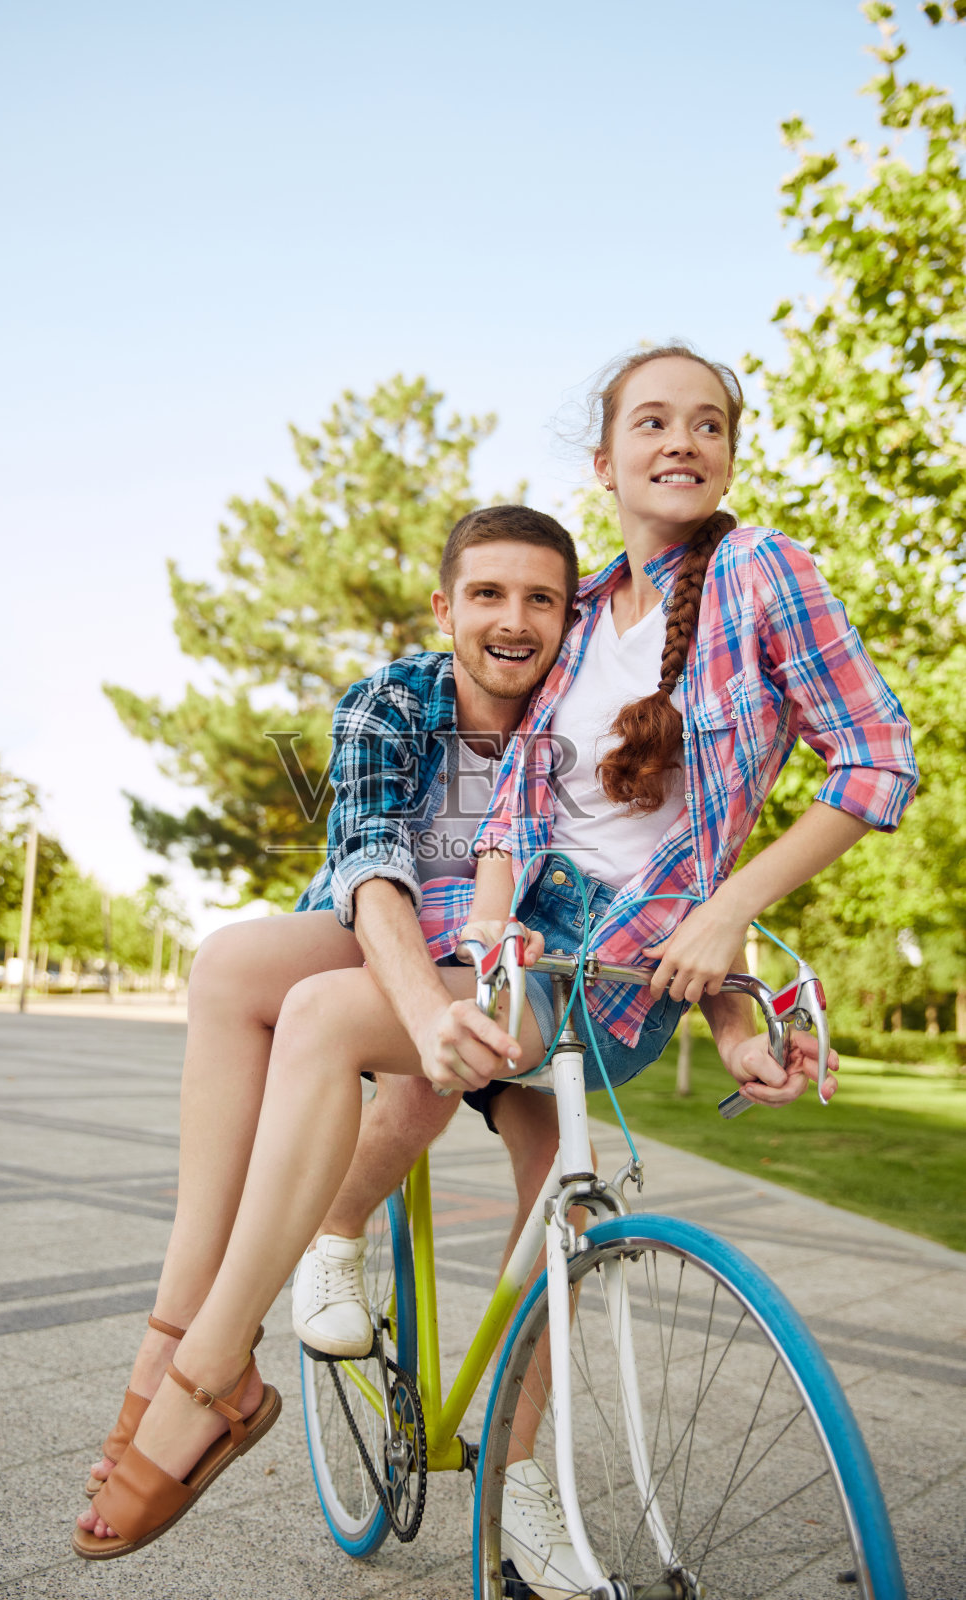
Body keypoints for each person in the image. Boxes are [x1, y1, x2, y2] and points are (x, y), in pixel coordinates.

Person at [74, 348, 916, 1591]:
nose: (678, 440)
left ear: (731, 449)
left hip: (606, 960)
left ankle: (241, 1382)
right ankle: (213, 1335)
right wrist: (489, 919)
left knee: (356, 1039)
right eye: (649, 419)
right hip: (509, 943)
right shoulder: (582, 627)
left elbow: (868, 764)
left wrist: (733, 953)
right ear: (604, 458)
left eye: (705, 423)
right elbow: (523, 817)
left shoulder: (760, 572)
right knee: (251, 975)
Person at [74, 503, 579, 1551]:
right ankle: (177, 1341)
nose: (512, 618)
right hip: (383, 942)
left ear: (569, 620)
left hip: (506, 966)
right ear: (445, 608)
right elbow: (368, 866)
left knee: (556, 1187)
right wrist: (419, 1006)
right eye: (486, 592)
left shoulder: (572, 723)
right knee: (228, 967)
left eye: (541, 598)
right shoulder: (398, 696)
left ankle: (522, 1473)